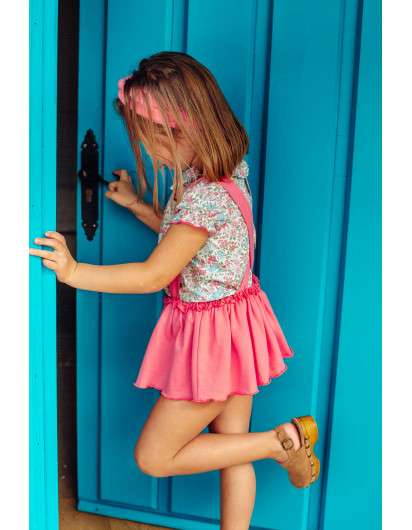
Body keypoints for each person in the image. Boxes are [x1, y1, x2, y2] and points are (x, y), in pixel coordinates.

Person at [29, 51, 320, 527]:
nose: (151, 155)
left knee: (154, 456)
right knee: (232, 448)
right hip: (239, 324)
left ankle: (280, 441)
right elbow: (188, 245)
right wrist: (139, 205)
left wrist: (74, 271)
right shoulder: (227, 172)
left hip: (212, 341)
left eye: (150, 143)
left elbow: (153, 275)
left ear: (177, 131)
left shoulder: (201, 199)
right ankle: (268, 452)